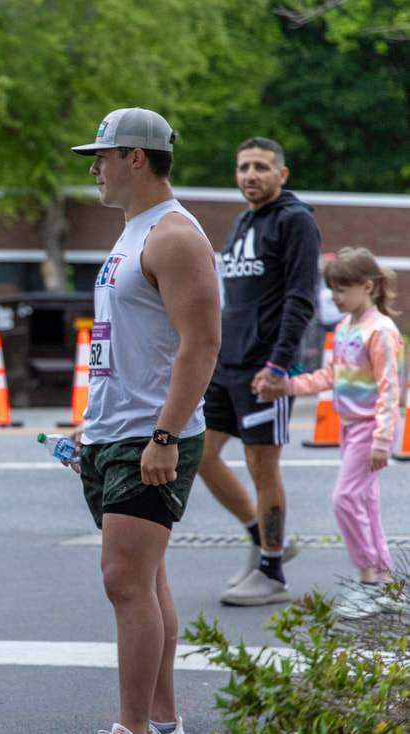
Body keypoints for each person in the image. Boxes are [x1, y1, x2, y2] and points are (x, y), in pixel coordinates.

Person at [69, 107, 220, 734]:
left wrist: (164, 435)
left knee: (123, 582)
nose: (94, 169)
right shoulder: (133, 231)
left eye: (101, 157)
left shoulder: (174, 235)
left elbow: (201, 344)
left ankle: (131, 727)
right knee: (146, 580)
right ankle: (162, 721)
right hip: (114, 430)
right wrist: (91, 421)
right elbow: (126, 342)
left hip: (149, 436)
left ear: (136, 157)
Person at [198, 137, 320, 607]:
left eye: (261, 167)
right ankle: (263, 539)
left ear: (281, 175)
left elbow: (301, 299)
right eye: (243, 166)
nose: (250, 174)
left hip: (266, 366)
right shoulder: (244, 220)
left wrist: (277, 365)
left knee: (261, 464)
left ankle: (273, 574)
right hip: (228, 362)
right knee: (200, 454)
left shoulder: (295, 220)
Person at [258, 247, 403, 619]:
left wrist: (382, 439)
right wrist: (287, 387)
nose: (334, 296)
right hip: (350, 428)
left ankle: (369, 581)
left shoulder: (381, 330)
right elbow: (329, 376)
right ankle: (385, 582)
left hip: (370, 429)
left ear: (368, 286)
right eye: (332, 288)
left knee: (345, 499)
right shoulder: (344, 329)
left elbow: (390, 389)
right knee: (364, 503)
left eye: (342, 288)